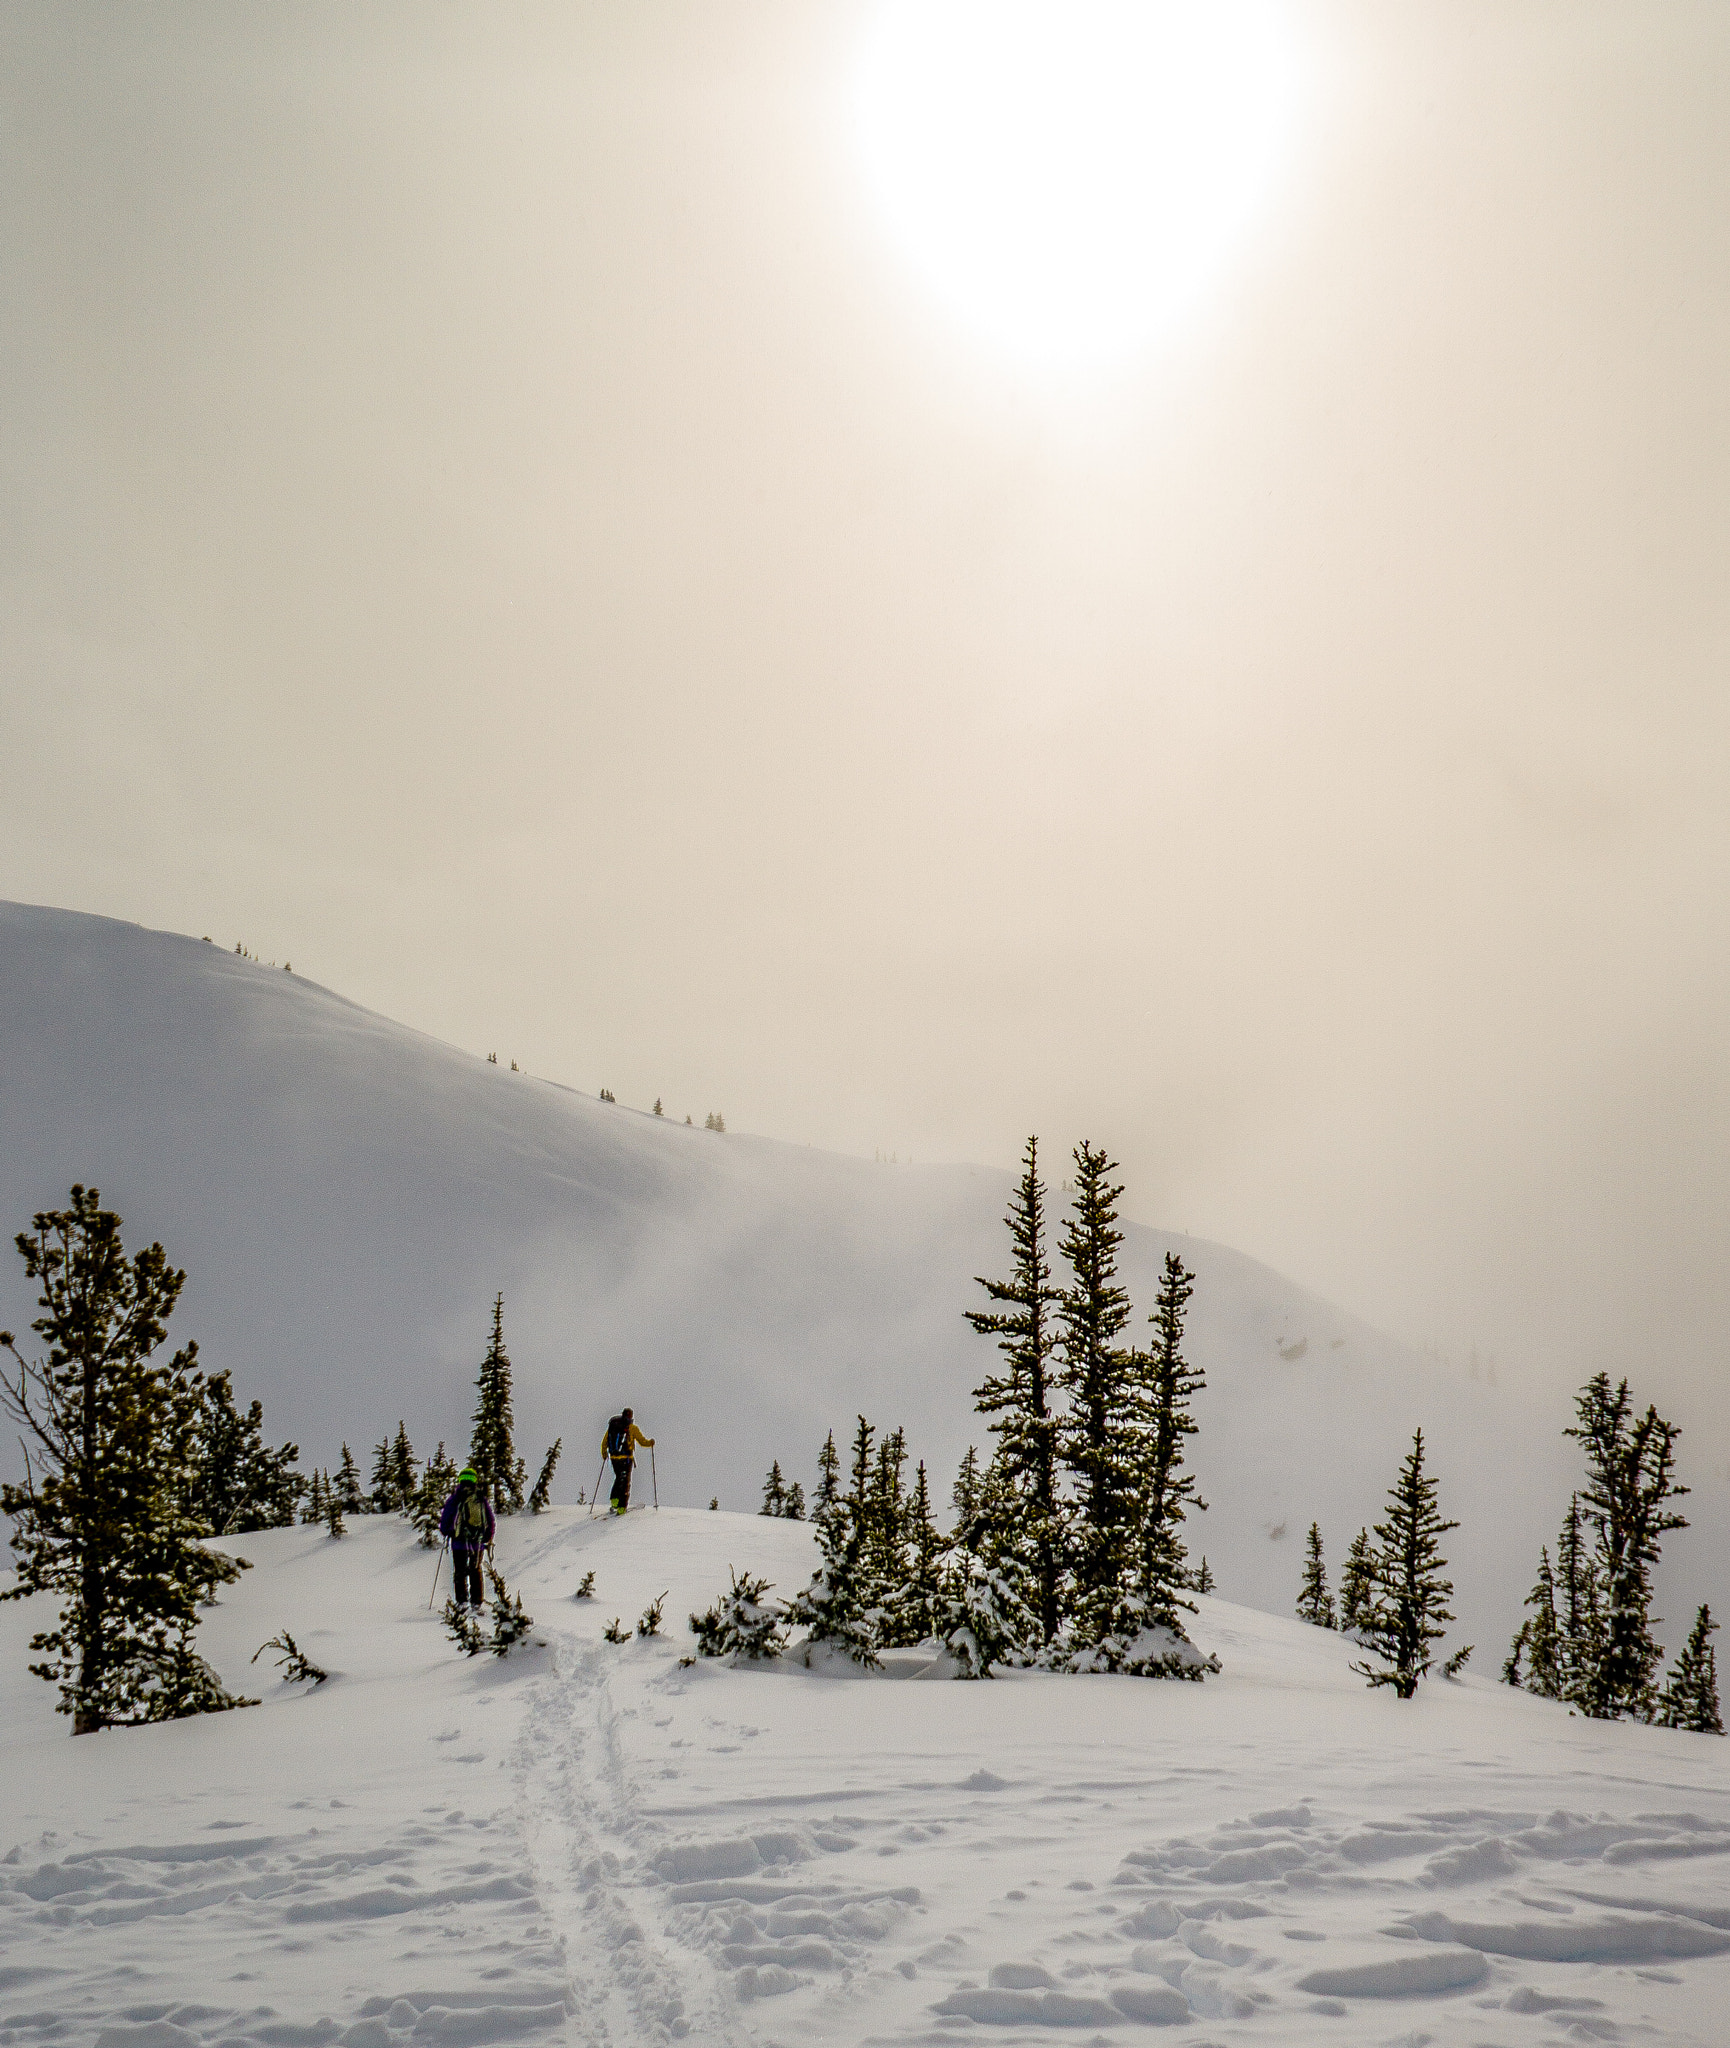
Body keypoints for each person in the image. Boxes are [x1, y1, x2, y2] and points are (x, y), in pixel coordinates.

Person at [439, 1466, 496, 1606]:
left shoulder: (455, 1499)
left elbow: (445, 1519)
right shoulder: (480, 1499)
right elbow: (490, 1519)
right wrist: (487, 1537)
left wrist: (448, 1532)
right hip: (477, 1542)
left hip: (459, 1542)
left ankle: (462, 1602)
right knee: (475, 1571)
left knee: (460, 1572)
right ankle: (476, 1602)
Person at [603, 1408, 654, 1515]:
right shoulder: (632, 1428)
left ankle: (614, 1501)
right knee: (625, 1481)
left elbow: (605, 1441)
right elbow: (642, 1441)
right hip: (626, 1458)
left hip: (614, 1458)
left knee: (618, 1478)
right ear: (631, 1416)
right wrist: (650, 1443)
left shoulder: (613, 1427)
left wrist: (604, 1454)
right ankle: (622, 1507)